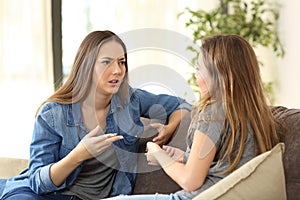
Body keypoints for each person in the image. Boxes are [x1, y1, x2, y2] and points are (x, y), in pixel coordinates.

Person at [0, 30, 191, 200]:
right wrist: (79, 155)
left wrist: (169, 128)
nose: (117, 70)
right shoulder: (52, 114)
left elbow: (181, 105)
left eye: (121, 62)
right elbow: (37, 182)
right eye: (107, 62)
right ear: (87, 65)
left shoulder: (130, 101)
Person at [103, 34, 280, 200]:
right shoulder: (255, 114)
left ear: (219, 75)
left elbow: (190, 181)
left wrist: (159, 155)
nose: (196, 76)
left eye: (199, 69)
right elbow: (226, 165)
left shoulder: (213, 113)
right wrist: (184, 157)